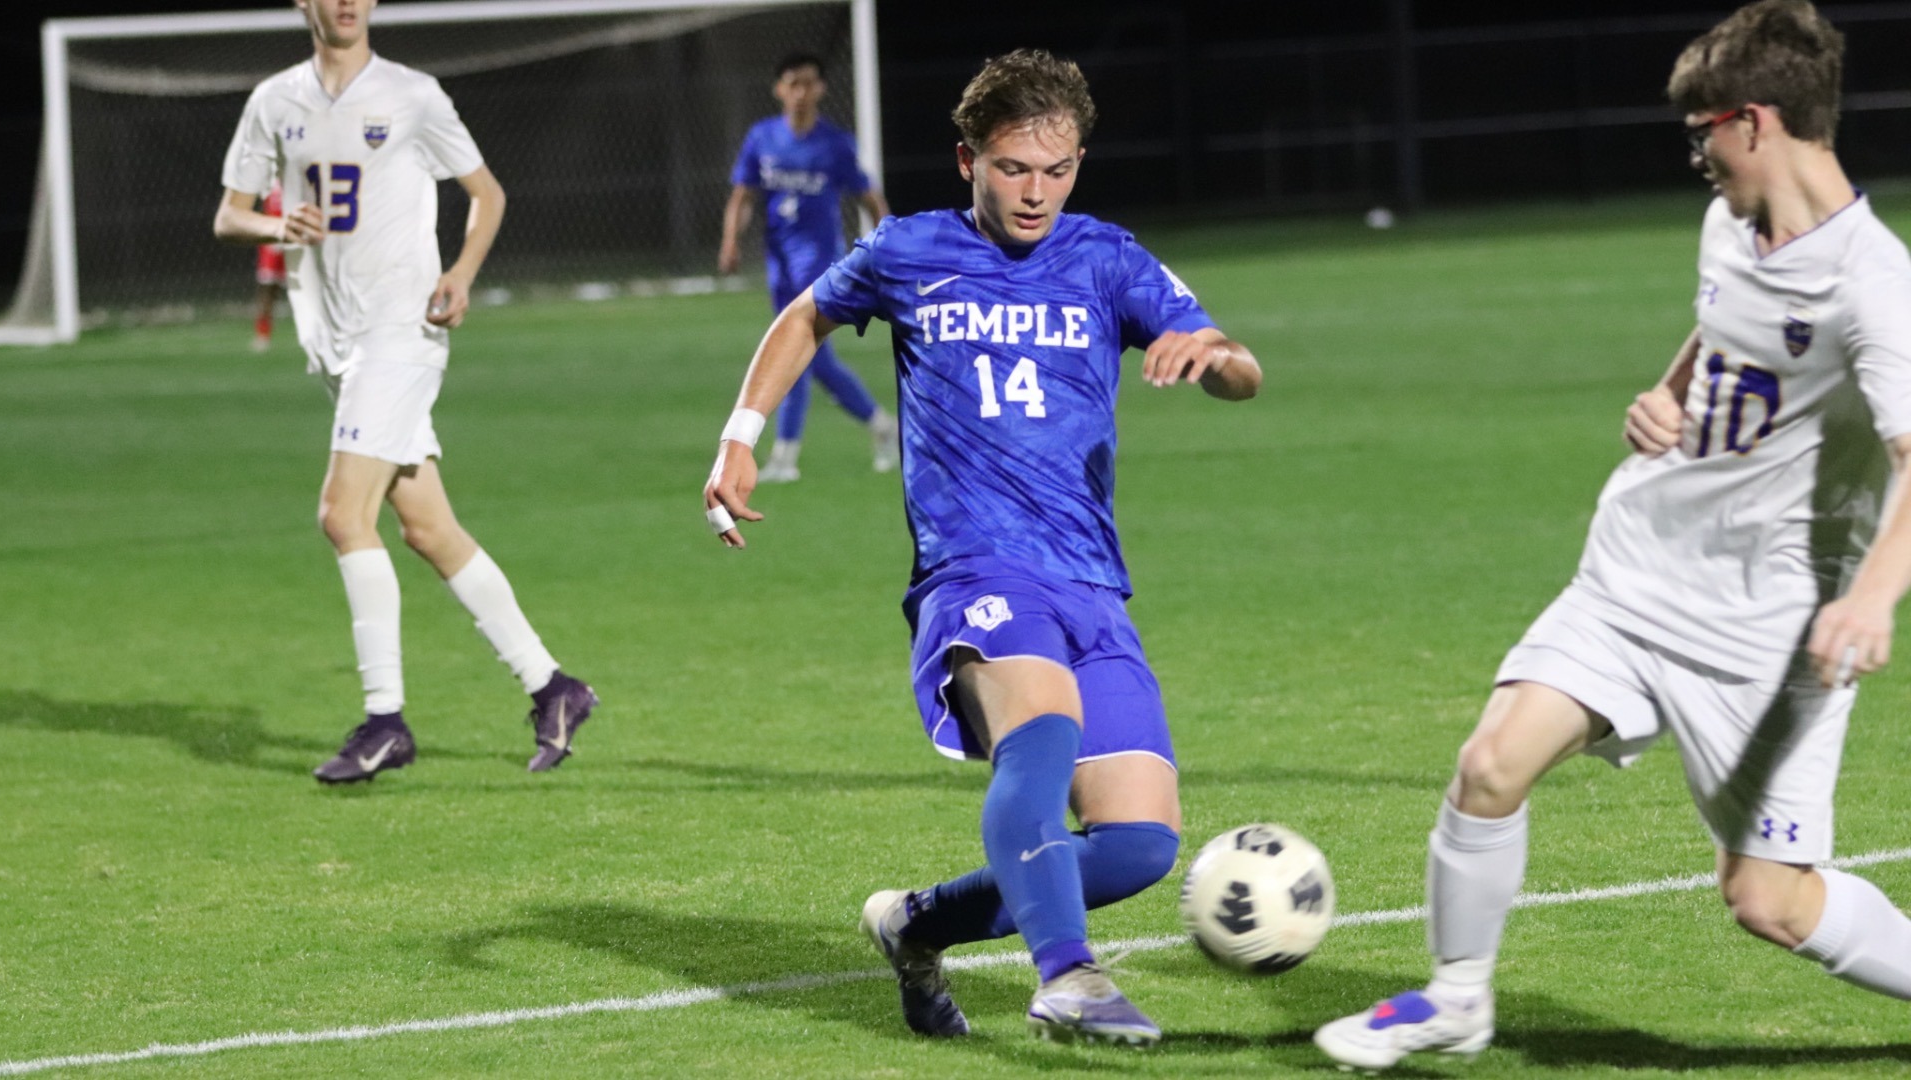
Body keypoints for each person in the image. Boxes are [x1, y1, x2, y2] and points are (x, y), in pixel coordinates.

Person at [1315, 1, 1911, 1070]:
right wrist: (1668, 392)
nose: (1696, 153)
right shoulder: (1729, 224)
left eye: (1705, 131)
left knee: (1766, 901)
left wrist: (1871, 598)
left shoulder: (1875, 287)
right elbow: (1722, 319)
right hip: (1636, 575)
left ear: (1759, 121)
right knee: (1492, 763)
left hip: (1765, 636)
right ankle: (1456, 999)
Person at [704, 49, 1260, 1045]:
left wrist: (1213, 354)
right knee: (1039, 738)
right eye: (1013, 168)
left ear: (1078, 164)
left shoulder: (1108, 258)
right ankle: (1068, 974)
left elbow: (1242, 370)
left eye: (1056, 170)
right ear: (968, 160)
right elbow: (804, 315)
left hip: (1091, 577)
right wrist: (739, 438)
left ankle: (918, 924)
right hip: (977, 568)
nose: (1036, 192)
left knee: (1138, 843)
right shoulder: (910, 251)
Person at [212, 0, 596, 783]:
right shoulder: (274, 102)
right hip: (337, 346)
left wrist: (459, 275)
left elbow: (488, 194)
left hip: (403, 331)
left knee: (341, 515)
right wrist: (280, 229)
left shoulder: (413, 94)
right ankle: (554, 686)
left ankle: (385, 720)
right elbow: (230, 215)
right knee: (427, 528)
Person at [718, 52, 898, 482]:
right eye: (793, 83)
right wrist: (730, 240)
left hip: (820, 261)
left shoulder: (834, 144)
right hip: (779, 262)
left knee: (796, 350)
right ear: (780, 89)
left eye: (809, 83)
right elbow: (742, 196)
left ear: (820, 89)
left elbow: (868, 197)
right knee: (808, 355)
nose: (801, 92)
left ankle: (785, 455)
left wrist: (887, 244)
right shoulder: (762, 138)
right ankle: (882, 427)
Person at [252, 181, 286, 352]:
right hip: (271, 240)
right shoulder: (268, 180)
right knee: (267, 288)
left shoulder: (298, 172)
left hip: (296, 237)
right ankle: (262, 334)